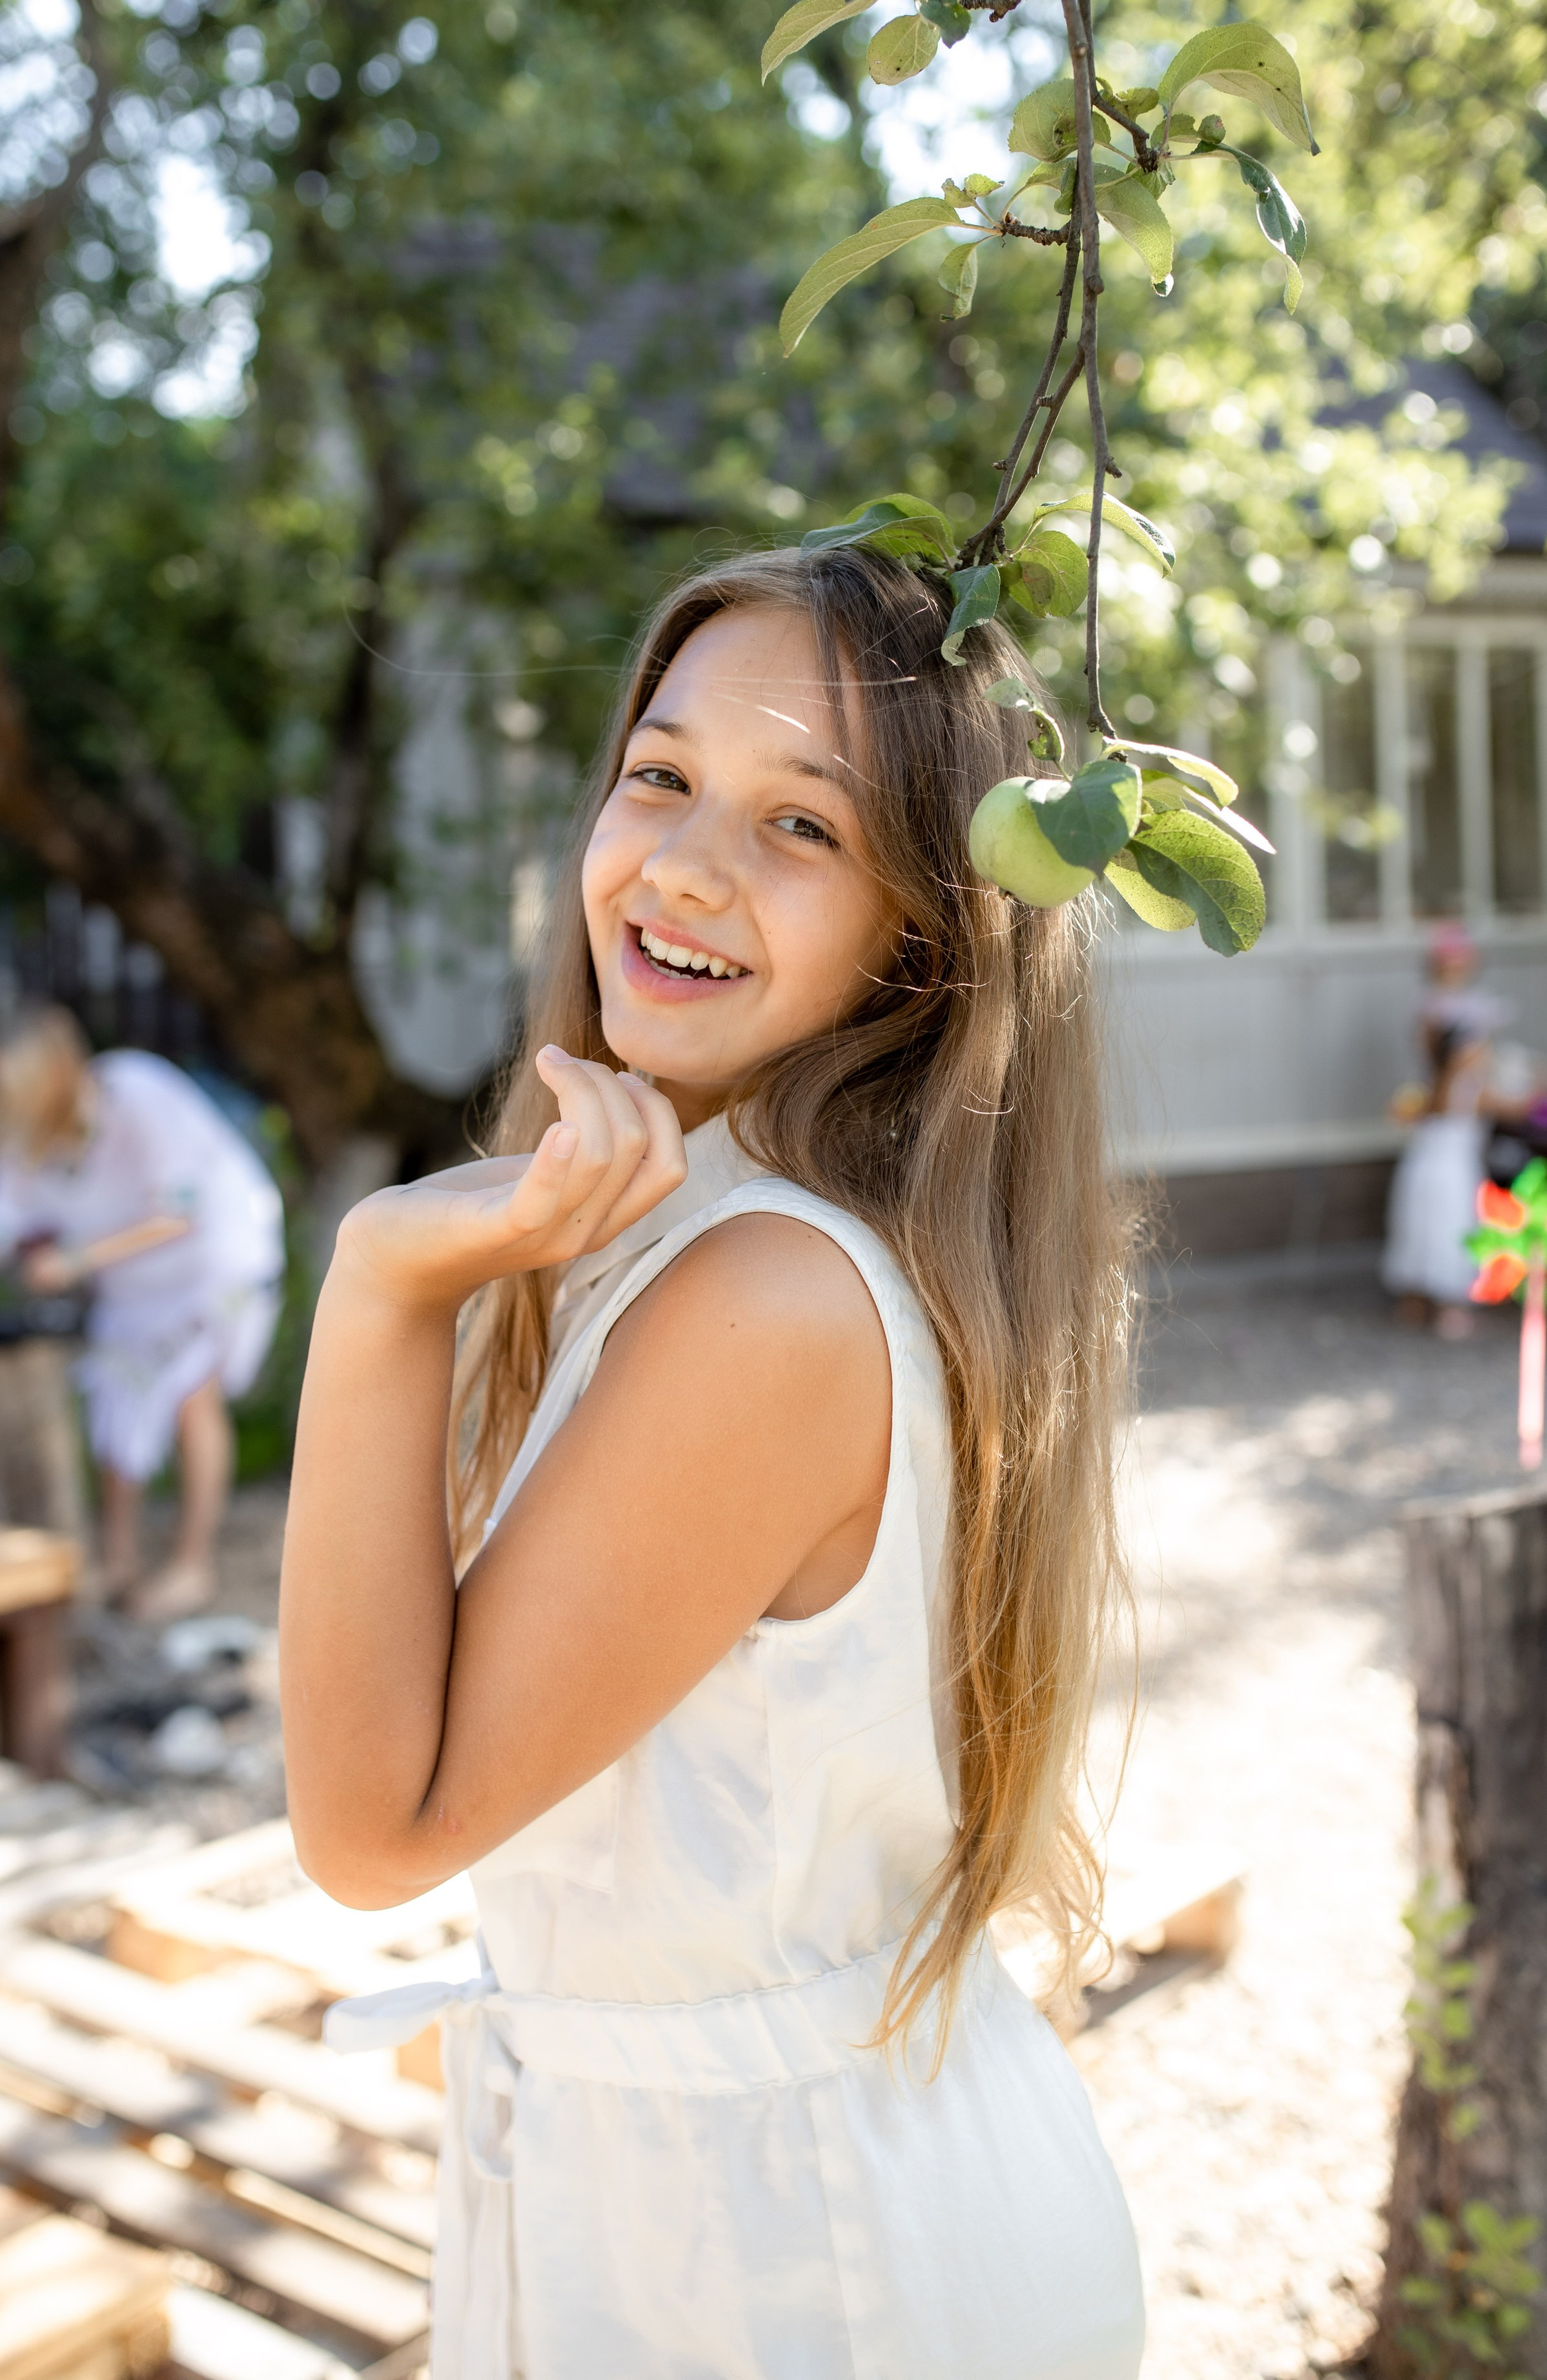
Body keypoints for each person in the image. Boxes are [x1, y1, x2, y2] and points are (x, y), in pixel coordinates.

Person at [281, 547, 1145, 2377]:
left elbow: (374, 1825)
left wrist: (378, 1293)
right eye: (661, 776)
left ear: (920, 942)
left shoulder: (770, 1296)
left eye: (800, 827)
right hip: (757, 2196)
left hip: (781, 2272)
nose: (681, 863)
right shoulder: (759, 1235)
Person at [0, 1006, 284, 1619]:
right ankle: (116, 1560)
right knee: (118, 1401)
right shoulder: (31, 1132)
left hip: (217, 1265)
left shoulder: (135, 1094)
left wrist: (76, 1260)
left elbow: (180, 1210)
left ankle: (190, 1567)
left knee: (190, 1395)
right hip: (136, 1287)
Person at [1383, 926, 1513, 1340]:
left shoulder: (1468, 1044)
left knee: (1438, 1212)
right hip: (1445, 1140)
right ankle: (1437, 1296)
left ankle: (1430, 1295)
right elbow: (1449, 1093)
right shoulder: (1446, 1049)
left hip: (1454, 1138)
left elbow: (1478, 1092)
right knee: (1442, 1215)